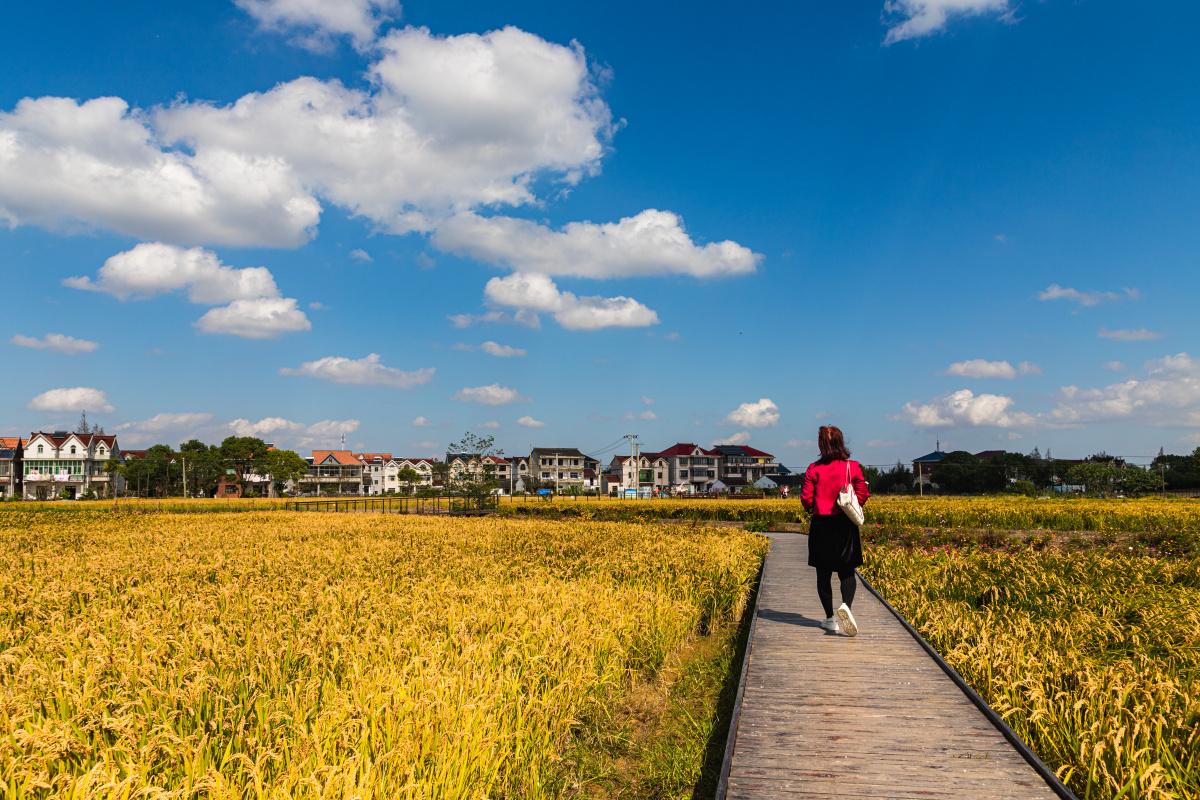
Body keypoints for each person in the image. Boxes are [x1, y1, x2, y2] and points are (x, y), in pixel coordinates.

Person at [800, 426, 869, 636]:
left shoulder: (814, 468)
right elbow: (863, 494)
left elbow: (806, 500)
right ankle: (846, 606)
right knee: (847, 571)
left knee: (823, 573)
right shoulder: (853, 467)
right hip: (845, 525)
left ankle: (830, 619)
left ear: (821, 444)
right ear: (841, 442)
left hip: (821, 524)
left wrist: (816, 504)